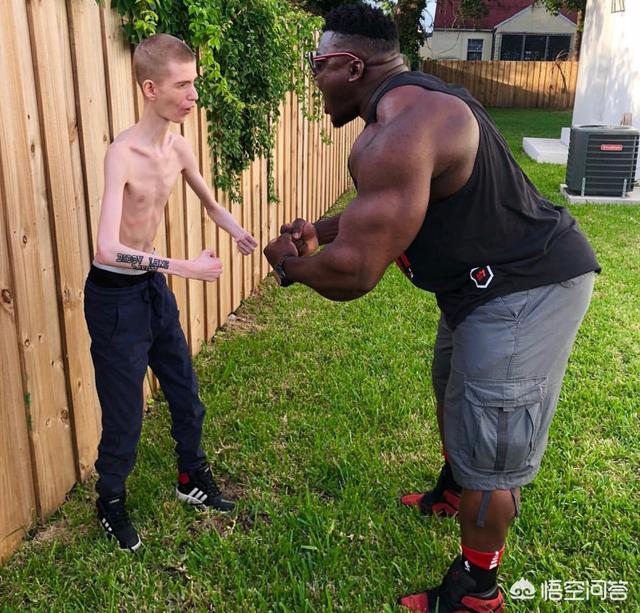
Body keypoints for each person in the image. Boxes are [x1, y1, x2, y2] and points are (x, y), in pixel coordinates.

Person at [264, 3, 599, 611]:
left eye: (318, 66)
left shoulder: (399, 133)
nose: (314, 80)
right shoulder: (411, 106)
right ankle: (454, 488)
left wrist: (289, 266)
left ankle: (477, 589)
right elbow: (398, 203)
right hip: (477, 287)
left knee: (492, 444)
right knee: (452, 385)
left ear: (350, 65)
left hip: (525, 287)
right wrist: (320, 229)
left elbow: (355, 273)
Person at [85, 33, 257, 552]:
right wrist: (184, 266)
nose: (193, 95)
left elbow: (210, 203)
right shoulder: (123, 153)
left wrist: (237, 230)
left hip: (150, 291)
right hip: (114, 299)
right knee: (124, 416)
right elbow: (106, 248)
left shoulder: (178, 146)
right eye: (183, 85)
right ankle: (110, 500)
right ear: (150, 88)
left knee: (185, 391)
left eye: (194, 84)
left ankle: (191, 478)